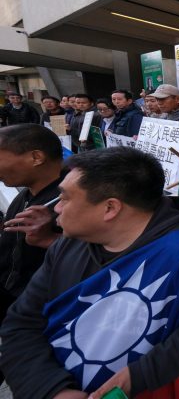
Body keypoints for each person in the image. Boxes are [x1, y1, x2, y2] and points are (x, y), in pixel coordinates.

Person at [0, 147, 179, 398]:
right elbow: (22, 324)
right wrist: (51, 390)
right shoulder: (66, 246)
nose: (56, 209)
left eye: (64, 198)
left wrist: (139, 375)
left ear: (110, 208)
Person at [0, 124, 64, 386]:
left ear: (36, 157)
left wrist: (50, 240)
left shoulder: (71, 202)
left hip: (40, 314)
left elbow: (100, 255)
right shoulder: (26, 194)